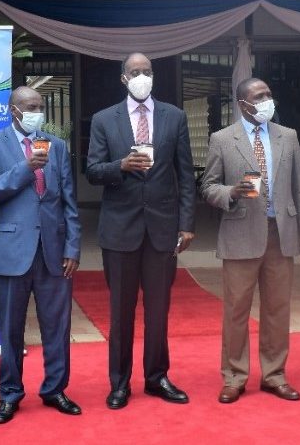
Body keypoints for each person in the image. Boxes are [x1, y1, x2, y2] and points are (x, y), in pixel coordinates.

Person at [86, 52, 196, 409]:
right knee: (121, 312)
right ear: (123, 78)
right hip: (120, 230)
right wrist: (120, 165)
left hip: (162, 229)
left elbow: (185, 174)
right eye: (134, 72)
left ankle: (156, 377)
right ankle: (119, 383)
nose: (141, 77)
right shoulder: (105, 119)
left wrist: (186, 223)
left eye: (146, 71)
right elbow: (93, 170)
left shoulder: (174, 116)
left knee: (158, 310)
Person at [200, 77, 300, 404]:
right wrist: (231, 192)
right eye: (259, 96)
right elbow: (208, 186)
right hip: (240, 234)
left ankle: (274, 375)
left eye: (268, 94)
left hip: (281, 234)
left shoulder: (287, 136)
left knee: (277, 310)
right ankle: (234, 377)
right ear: (243, 104)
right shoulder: (222, 139)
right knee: (236, 311)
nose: (267, 100)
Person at [0, 86, 83, 424]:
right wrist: (24, 168)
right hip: (13, 252)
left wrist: (72, 247)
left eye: (40, 106)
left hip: (54, 251)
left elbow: (68, 201)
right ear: (14, 110)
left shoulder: (58, 146)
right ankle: (9, 393)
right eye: (31, 106)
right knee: (10, 329)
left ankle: (55, 389)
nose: (37, 112)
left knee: (58, 326)